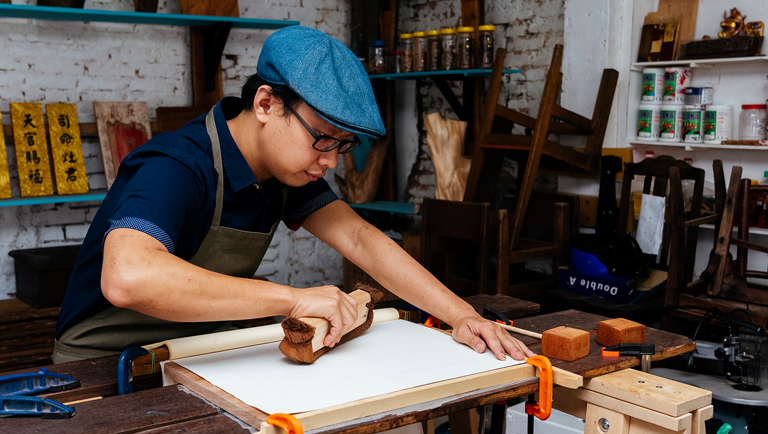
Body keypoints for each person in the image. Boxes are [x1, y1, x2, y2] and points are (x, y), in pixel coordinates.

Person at [53, 25, 533, 365]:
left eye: (343, 146)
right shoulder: (178, 165)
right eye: (322, 139)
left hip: (196, 354)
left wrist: (461, 316)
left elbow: (362, 239)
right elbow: (129, 278)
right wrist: (293, 299)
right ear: (266, 103)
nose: (330, 160)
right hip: (102, 367)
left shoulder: (285, 172)